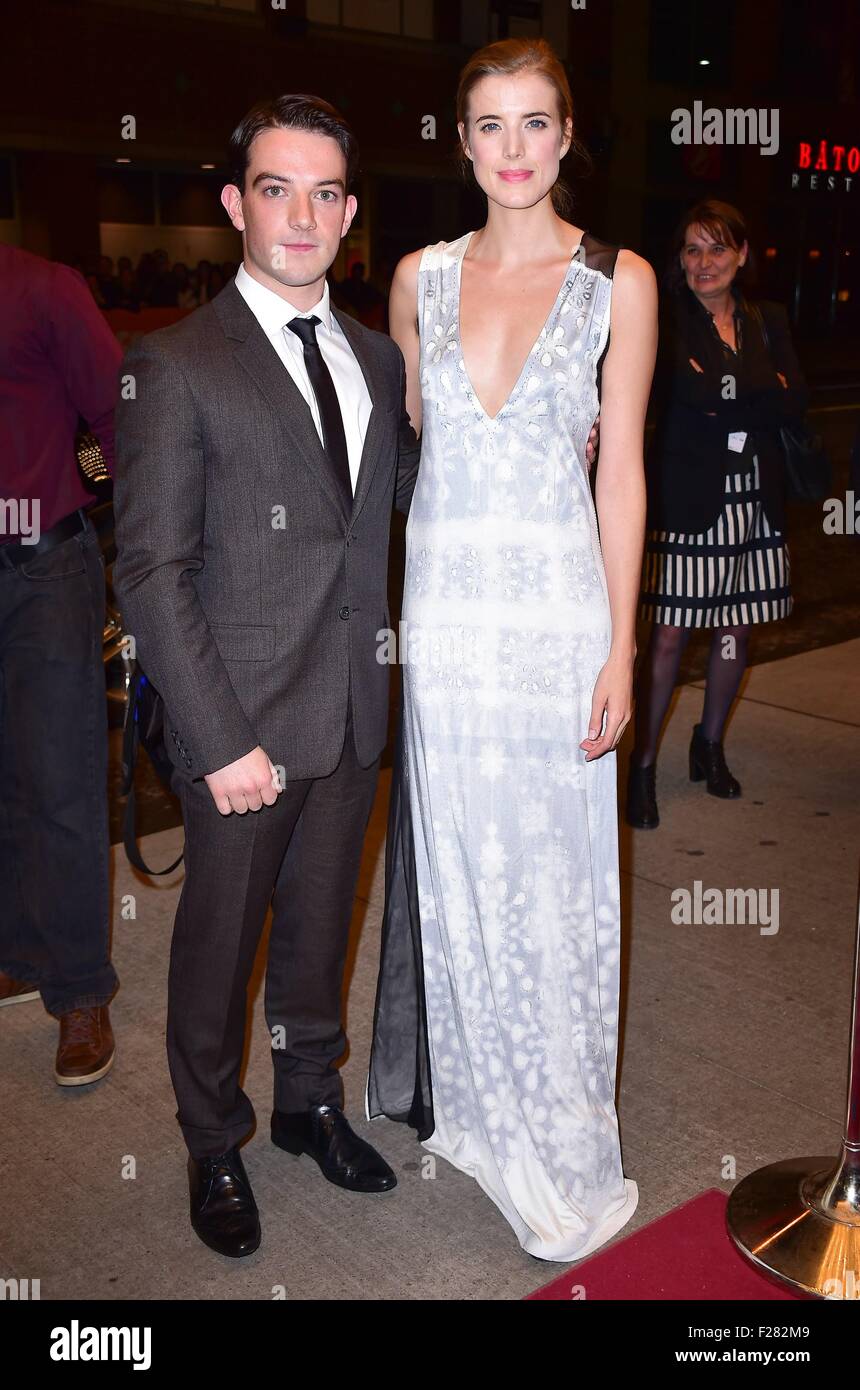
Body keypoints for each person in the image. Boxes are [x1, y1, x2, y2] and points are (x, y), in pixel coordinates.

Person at [113, 94, 421, 1259]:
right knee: (218, 946)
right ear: (237, 203)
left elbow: (384, 517)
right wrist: (216, 737)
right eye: (277, 188)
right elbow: (148, 570)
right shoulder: (176, 365)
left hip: (348, 711)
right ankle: (210, 1135)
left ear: (348, 210)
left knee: (315, 940)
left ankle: (307, 1105)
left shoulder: (379, 361)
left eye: (325, 192)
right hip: (237, 729)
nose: (302, 215)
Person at [366, 37, 657, 1262]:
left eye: (535, 123)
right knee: (465, 875)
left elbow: (622, 472)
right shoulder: (413, 279)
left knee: (558, 884)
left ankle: (561, 1136)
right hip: (445, 626)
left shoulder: (618, 282)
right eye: (489, 124)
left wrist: (621, 650)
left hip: (554, 625)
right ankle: (481, 1114)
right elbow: (427, 445)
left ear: (566, 133)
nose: (513, 148)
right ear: (461, 138)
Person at [627, 200, 808, 828]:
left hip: (755, 501)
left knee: (737, 626)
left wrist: (732, 394)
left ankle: (709, 745)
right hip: (687, 503)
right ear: (680, 260)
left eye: (718, 248)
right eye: (692, 250)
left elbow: (794, 400)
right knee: (669, 637)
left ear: (742, 254)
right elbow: (689, 393)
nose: (705, 263)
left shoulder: (768, 320)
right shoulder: (667, 320)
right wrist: (755, 391)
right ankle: (642, 766)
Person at [0, 243, 121, 1083]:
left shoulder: (44, 287)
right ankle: (20, 951)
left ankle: (80, 990)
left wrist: (83, 492)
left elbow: (117, 417)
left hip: (42, 564)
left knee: (62, 780)